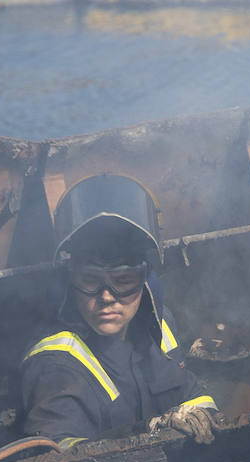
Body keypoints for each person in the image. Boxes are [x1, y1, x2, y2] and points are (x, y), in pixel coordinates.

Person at [21, 174, 218, 448]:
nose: (106, 297)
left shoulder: (159, 324)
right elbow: (58, 453)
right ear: (71, 282)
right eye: (90, 281)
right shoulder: (56, 362)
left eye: (123, 281)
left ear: (145, 280)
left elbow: (190, 393)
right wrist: (149, 431)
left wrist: (201, 415)